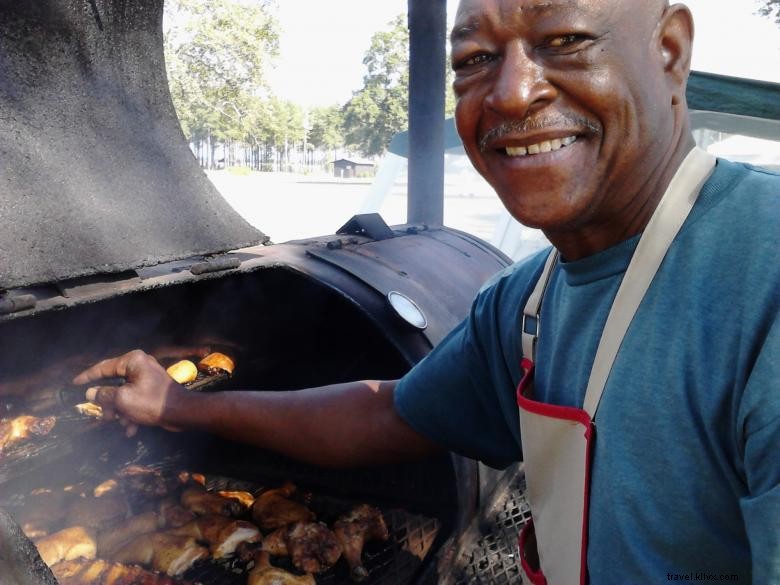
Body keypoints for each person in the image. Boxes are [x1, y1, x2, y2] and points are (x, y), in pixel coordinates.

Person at [75, 0, 780, 583]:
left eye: (564, 39)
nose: (510, 91)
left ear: (670, 52)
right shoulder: (528, 303)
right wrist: (178, 404)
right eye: (474, 60)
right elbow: (386, 414)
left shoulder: (763, 279)